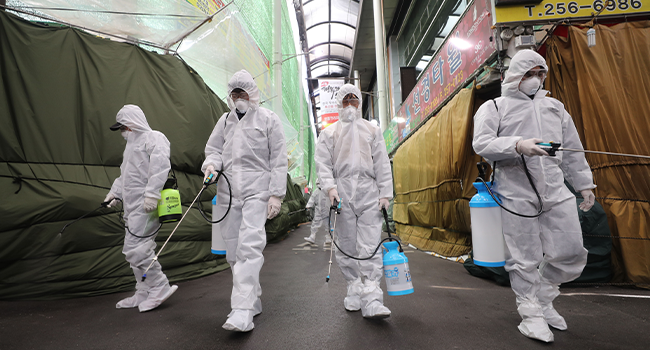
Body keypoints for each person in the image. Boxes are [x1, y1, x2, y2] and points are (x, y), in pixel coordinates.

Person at [472, 49, 595, 343]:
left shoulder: (555, 108)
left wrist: (584, 184)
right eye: (529, 73)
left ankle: (543, 297)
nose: (536, 79)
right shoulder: (494, 107)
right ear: (514, 75)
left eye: (541, 74)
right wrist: (518, 144)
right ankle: (530, 313)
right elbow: (482, 143)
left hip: (554, 185)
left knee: (572, 249)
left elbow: (572, 150)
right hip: (515, 188)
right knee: (524, 254)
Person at [202, 70, 287, 332]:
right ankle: (252, 299)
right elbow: (213, 150)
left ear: (253, 94)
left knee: (249, 247)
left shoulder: (268, 119)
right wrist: (212, 165)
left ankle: (241, 310)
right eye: (235, 93)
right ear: (230, 96)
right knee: (232, 250)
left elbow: (278, 159)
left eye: (243, 92)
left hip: (257, 190)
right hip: (228, 191)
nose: (239, 97)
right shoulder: (225, 121)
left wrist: (275, 194)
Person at [314, 83, 394, 319]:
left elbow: (381, 163)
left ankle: (372, 298)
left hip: (369, 192)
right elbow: (323, 165)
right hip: (342, 193)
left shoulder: (372, 130)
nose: (350, 104)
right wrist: (330, 189)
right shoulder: (329, 133)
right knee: (346, 244)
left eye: (354, 100)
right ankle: (353, 287)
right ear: (339, 103)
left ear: (359, 102)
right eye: (346, 100)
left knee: (370, 244)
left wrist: (384, 194)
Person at [104, 104, 178, 313]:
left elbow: (160, 167)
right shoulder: (130, 147)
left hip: (146, 205)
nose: (122, 132)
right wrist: (114, 194)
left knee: (139, 249)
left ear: (133, 124)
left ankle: (159, 286)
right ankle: (143, 290)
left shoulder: (154, 138)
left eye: (123, 127)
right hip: (132, 205)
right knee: (132, 250)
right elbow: (124, 175)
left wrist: (152, 195)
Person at [304, 182, 332, 247]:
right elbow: (312, 198)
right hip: (318, 210)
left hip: (327, 210)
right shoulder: (317, 191)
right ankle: (312, 236)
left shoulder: (328, 191)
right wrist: (308, 206)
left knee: (328, 225)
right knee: (315, 223)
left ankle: (328, 238)